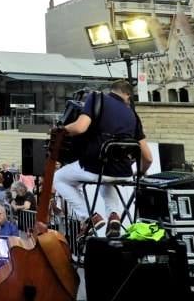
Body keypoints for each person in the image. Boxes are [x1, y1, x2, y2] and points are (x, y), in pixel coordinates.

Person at [53, 80, 152, 239]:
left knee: (59, 178)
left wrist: (60, 130)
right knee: (107, 180)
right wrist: (139, 173)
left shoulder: (96, 98)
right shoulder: (133, 115)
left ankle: (89, 217)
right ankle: (114, 216)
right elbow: (148, 158)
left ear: (112, 90)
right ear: (128, 95)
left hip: (95, 167)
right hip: (123, 173)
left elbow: (80, 127)